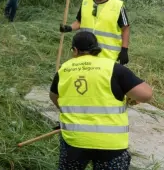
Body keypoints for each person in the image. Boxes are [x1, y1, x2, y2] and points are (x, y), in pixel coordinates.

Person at [49, 31, 153, 170]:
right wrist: (129, 96)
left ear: (74, 50)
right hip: (110, 144)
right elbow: (146, 94)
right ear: (97, 49)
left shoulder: (64, 70)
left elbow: (54, 97)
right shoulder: (113, 68)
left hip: (74, 141)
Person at [59, 0, 130, 64]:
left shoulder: (117, 5)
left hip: (108, 57)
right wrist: (69, 28)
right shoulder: (85, 2)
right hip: (86, 55)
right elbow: (80, 22)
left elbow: (126, 28)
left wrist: (124, 50)